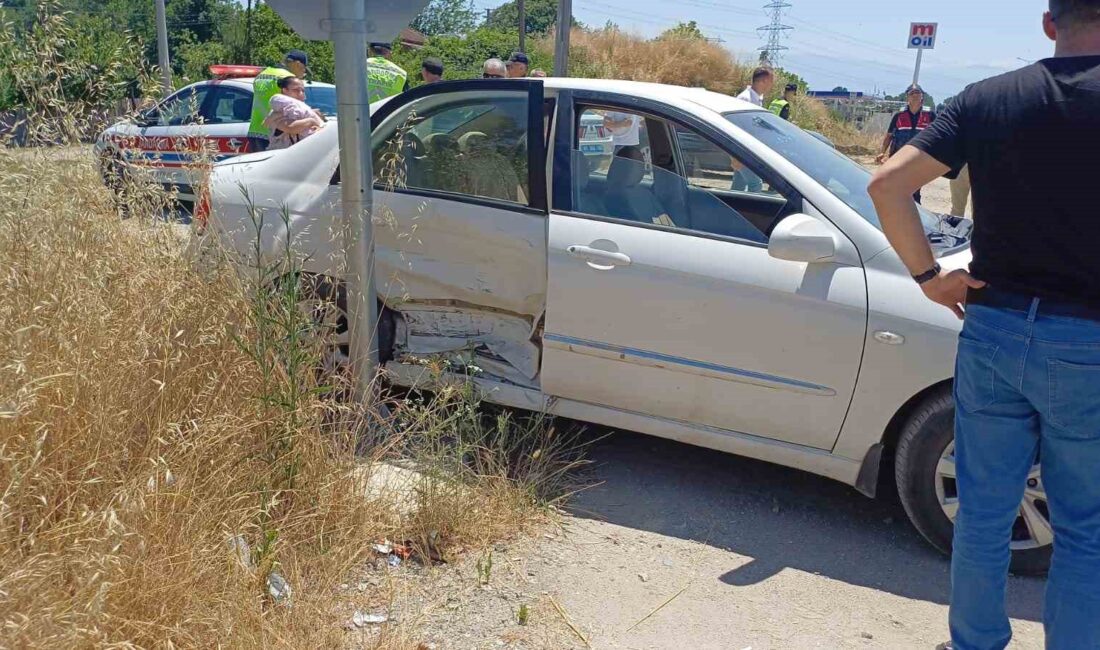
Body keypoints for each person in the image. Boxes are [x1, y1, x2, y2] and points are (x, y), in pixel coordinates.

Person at [867, 2, 1100, 649]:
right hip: (1088, 343)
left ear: (1050, 24)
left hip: (992, 328)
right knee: (1085, 529)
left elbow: (888, 185)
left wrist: (928, 278)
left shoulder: (989, 99)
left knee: (982, 516)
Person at [876, 84, 936, 203]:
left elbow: (938, 136)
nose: (914, 95)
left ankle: (915, 215)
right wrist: (882, 153)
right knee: (895, 188)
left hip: (919, 159)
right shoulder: (899, 115)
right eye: (911, 93)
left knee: (914, 190)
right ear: (907, 97)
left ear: (922, 96)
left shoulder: (930, 115)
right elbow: (889, 136)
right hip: (898, 157)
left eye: (917, 93)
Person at [248, 49, 309, 145]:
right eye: (304, 68)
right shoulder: (290, 80)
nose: (304, 71)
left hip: (255, 131)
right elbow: (298, 108)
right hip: (275, 135)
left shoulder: (262, 74)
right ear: (297, 64)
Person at [262, 76, 325, 150]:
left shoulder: (304, 110)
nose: (301, 93)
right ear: (285, 90)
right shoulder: (276, 113)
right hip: (283, 156)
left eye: (303, 90)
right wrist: (311, 121)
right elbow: (291, 128)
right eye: (296, 90)